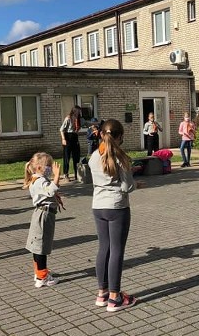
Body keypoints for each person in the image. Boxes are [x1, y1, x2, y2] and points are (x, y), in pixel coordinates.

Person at [88, 119, 144, 312]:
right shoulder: (122, 158)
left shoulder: (94, 155)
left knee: (104, 248)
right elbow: (126, 186)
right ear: (120, 137)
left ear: (102, 135)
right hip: (117, 207)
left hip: (98, 206)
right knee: (117, 250)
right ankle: (115, 298)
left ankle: (102, 293)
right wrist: (135, 182)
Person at [23, 152, 62, 287]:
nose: (51, 168)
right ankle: (42, 277)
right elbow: (51, 190)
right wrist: (57, 175)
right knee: (41, 246)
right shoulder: (40, 180)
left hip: (41, 214)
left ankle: (39, 271)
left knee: (37, 245)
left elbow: (49, 192)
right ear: (39, 168)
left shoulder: (37, 179)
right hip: (44, 215)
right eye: (49, 166)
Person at [60, 106, 82, 182]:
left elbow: (87, 123)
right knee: (67, 157)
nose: (79, 113)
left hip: (75, 137)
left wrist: (99, 123)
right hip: (68, 137)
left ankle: (77, 174)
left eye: (79, 111)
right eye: (78, 111)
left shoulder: (79, 119)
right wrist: (63, 139)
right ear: (74, 111)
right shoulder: (68, 118)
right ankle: (66, 174)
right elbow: (62, 129)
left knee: (76, 156)